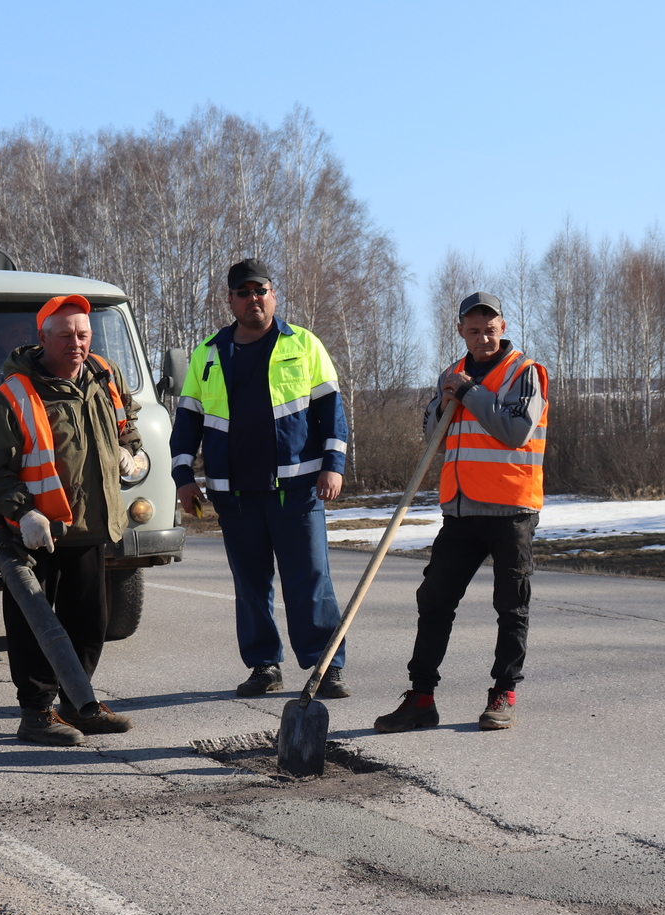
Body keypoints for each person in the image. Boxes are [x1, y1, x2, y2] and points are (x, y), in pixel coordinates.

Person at [171, 259, 351, 700]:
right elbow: (188, 422)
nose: (254, 299)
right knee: (251, 586)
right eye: (244, 292)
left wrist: (334, 465)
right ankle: (264, 666)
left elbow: (332, 413)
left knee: (309, 580)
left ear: (274, 294)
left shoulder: (304, 345)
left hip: (298, 490)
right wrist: (183, 477)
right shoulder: (208, 353)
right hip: (234, 493)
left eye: (261, 290)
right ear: (230, 300)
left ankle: (325, 666)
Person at [376, 292, 549, 733]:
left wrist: (470, 393)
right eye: (474, 330)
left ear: (503, 327)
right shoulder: (449, 376)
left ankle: (503, 693)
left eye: (490, 329)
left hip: (511, 509)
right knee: (434, 600)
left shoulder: (524, 373)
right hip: (461, 510)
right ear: (460, 331)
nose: (483, 337)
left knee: (511, 606)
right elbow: (434, 437)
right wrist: (442, 403)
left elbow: (513, 431)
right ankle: (421, 698)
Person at [0, 294, 140, 745]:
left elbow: (127, 422)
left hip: (90, 526)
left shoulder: (105, 375)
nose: (76, 343)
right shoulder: (14, 395)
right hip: (38, 533)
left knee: (90, 621)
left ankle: (77, 703)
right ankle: (37, 713)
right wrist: (23, 512)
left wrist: (131, 451)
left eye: (83, 334)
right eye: (65, 335)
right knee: (34, 625)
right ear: (42, 338)